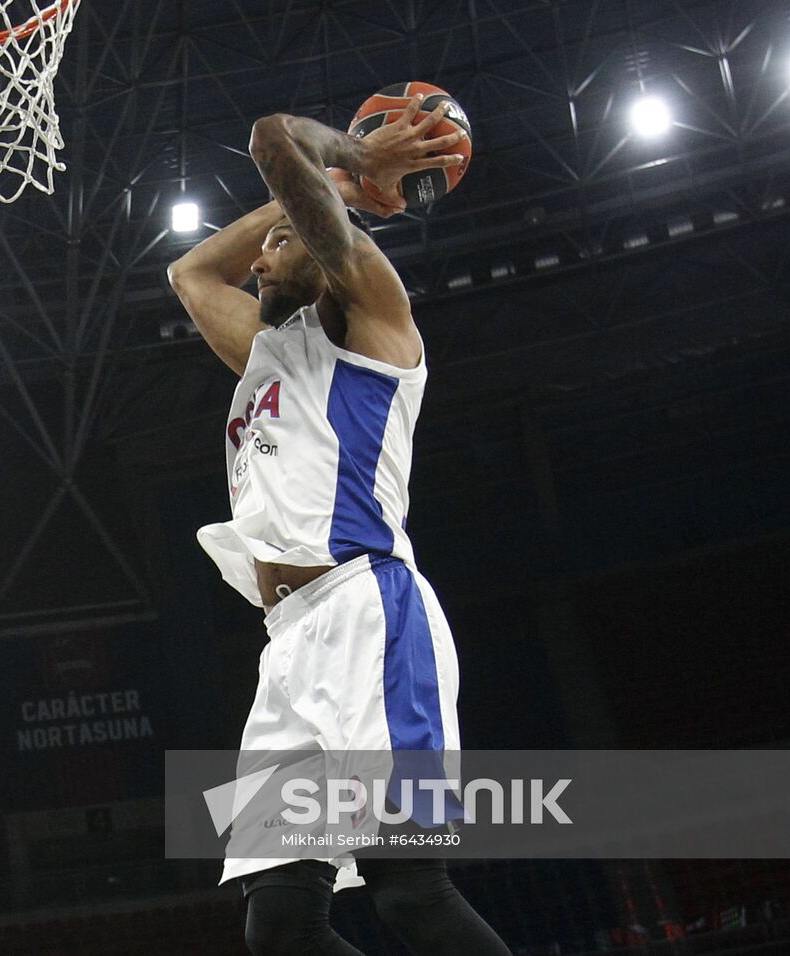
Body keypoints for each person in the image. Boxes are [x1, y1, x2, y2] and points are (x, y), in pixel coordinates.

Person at [166, 96, 510, 955]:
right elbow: (191, 274)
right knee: (278, 925)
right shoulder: (264, 352)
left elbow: (271, 140)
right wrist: (327, 187)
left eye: (285, 240)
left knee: (409, 895)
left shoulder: (371, 319)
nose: (260, 259)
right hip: (286, 645)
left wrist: (347, 169)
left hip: (368, 613)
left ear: (332, 250)